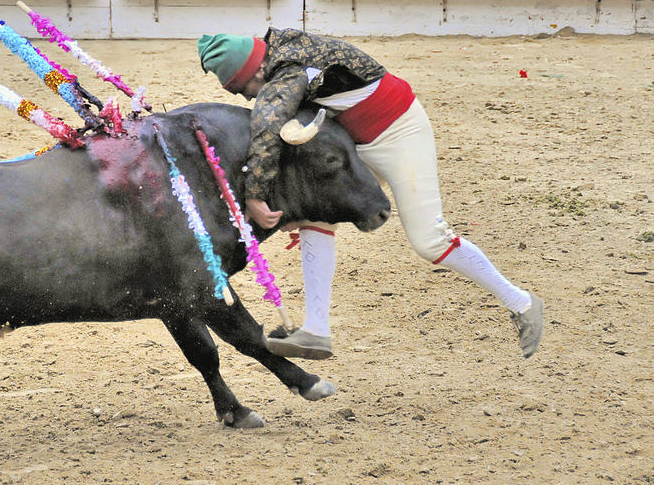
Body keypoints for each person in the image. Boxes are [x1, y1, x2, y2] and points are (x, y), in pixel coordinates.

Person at [197, 28, 544, 360]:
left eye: (246, 87)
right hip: (355, 144)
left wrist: (256, 197)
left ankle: (522, 303)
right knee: (316, 217)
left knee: (431, 240)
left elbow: (267, 130)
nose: (250, 97)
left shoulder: (286, 75)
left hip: (400, 134)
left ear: (258, 67)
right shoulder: (279, 53)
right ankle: (316, 329)